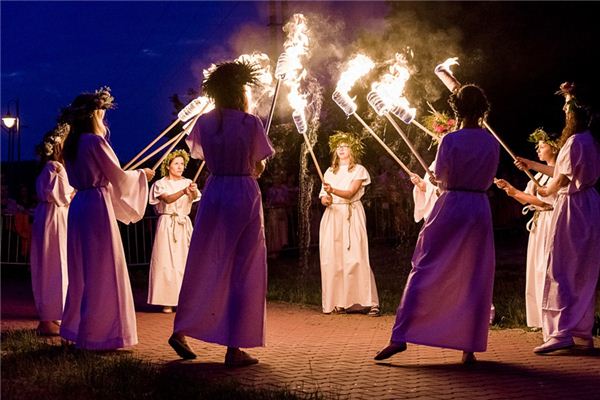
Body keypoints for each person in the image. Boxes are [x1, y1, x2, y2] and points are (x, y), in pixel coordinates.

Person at [375, 84, 499, 364]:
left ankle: (400, 336)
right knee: (474, 272)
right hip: (479, 207)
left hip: (452, 204)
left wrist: (434, 180)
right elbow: (489, 176)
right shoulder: (491, 142)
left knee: (425, 265)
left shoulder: (451, 141)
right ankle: (468, 347)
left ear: (458, 109)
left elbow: (441, 176)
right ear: (482, 109)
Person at [168, 61, 275, 367]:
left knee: (204, 260)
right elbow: (258, 166)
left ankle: (182, 328)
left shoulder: (204, 123)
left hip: (215, 192)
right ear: (240, 90)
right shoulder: (250, 123)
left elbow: (201, 153)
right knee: (244, 267)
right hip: (242, 192)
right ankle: (234, 347)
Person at [59, 87, 155, 350]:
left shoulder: (72, 145)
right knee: (103, 268)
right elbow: (118, 177)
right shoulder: (94, 141)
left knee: (83, 269)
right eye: (101, 114)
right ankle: (98, 335)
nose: (103, 119)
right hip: (96, 208)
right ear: (93, 115)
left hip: (80, 206)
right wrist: (142, 176)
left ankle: (78, 329)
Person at [518, 82, 600, 353]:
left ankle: (559, 332)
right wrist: (533, 166)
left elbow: (560, 180)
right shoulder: (589, 140)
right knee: (582, 271)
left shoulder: (573, 142)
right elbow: (565, 170)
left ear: (573, 114)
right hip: (589, 205)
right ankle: (581, 332)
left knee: (560, 268)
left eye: (567, 110)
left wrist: (543, 190)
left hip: (571, 207)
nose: (565, 114)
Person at [495, 128, 559, 329]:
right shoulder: (538, 175)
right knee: (536, 267)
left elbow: (545, 200)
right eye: (537, 146)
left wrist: (534, 199)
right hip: (539, 224)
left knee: (548, 267)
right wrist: (510, 190)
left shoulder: (559, 173)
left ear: (555, 148)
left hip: (552, 221)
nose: (538, 149)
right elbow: (529, 198)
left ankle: (553, 318)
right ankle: (539, 318)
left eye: (542, 145)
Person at [319, 131, 380, 316]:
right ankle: (340, 301)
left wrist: (333, 191)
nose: (341, 149)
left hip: (351, 213)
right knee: (334, 259)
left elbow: (351, 193)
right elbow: (323, 196)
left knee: (356, 257)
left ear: (352, 150)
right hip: (333, 215)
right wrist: (326, 199)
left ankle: (369, 302)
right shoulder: (330, 171)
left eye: (345, 146)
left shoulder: (359, 170)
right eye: (338, 147)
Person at [30, 123, 75, 336]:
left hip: (56, 216)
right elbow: (59, 195)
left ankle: (57, 315)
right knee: (52, 263)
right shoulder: (53, 168)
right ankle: (48, 317)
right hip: (53, 217)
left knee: (61, 263)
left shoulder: (58, 168)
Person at [147, 149, 200, 313]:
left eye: (182, 164)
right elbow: (167, 199)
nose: (180, 167)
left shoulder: (189, 182)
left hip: (183, 224)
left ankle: (185, 300)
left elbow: (195, 198)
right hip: (167, 223)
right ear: (168, 166)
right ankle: (167, 301)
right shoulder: (160, 184)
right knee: (166, 261)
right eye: (176, 163)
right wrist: (183, 191)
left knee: (184, 261)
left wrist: (192, 191)